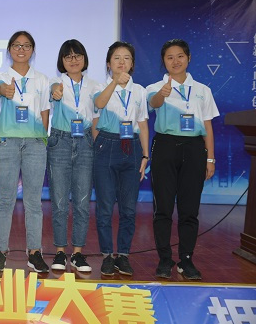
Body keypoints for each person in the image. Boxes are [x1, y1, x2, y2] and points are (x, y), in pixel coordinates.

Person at [147, 39, 218, 280]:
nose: (175, 61)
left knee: (189, 209)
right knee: (163, 208)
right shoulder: (156, 87)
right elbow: (152, 104)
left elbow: (208, 125)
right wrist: (162, 94)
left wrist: (210, 159)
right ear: (163, 61)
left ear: (188, 58)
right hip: (165, 146)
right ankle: (164, 259)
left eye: (180, 56)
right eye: (170, 57)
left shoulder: (202, 90)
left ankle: (186, 260)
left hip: (194, 148)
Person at [0, 31, 50, 273]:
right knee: (5, 199)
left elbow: (45, 112)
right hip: (7, 141)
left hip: (35, 143)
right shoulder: (2, 77)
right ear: (9, 50)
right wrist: (4, 90)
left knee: (33, 201)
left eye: (26, 45)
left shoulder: (42, 79)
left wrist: (41, 138)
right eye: (16, 45)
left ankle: (34, 252)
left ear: (32, 50)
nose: (21, 49)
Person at [93, 41, 149, 276]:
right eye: (116, 58)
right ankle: (107, 255)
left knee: (128, 208)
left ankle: (123, 255)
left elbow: (142, 124)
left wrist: (145, 155)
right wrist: (115, 82)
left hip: (132, 147)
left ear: (132, 63)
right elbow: (99, 103)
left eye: (126, 58)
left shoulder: (140, 91)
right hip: (107, 145)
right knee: (105, 207)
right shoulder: (101, 86)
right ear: (108, 64)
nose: (122, 62)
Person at [48, 39, 100, 273]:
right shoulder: (55, 82)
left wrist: (94, 143)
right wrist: (55, 91)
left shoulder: (94, 86)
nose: (73, 60)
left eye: (77, 55)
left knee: (82, 202)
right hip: (60, 141)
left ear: (84, 59)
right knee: (59, 202)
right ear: (62, 61)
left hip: (85, 142)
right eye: (68, 56)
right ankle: (60, 251)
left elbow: (96, 115)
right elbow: (53, 92)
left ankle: (78, 253)